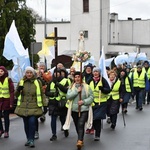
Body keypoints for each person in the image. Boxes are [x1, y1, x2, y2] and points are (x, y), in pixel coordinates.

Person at [15, 66, 47, 147]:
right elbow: (16, 95)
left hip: (34, 107)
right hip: (24, 107)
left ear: (33, 74)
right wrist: (19, 90)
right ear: (25, 73)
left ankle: (32, 139)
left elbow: (42, 94)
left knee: (32, 123)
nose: (29, 74)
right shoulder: (21, 82)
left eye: (30, 73)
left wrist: (45, 105)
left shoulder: (37, 82)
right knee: (26, 124)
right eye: (27, 73)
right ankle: (28, 139)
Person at [66, 71, 94, 149]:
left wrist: (84, 101)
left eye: (79, 77)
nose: (77, 78)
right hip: (74, 109)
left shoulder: (87, 87)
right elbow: (68, 97)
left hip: (84, 109)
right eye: (76, 77)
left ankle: (80, 140)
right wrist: (76, 91)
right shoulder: (71, 87)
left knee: (81, 124)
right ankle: (80, 137)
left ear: (81, 78)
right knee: (77, 124)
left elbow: (91, 97)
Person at [45, 68, 69, 141]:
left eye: (58, 72)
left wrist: (57, 84)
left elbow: (66, 90)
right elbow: (46, 92)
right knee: (53, 118)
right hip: (53, 103)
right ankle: (54, 134)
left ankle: (65, 129)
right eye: (55, 72)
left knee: (62, 118)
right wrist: (52, 94)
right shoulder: (51, 82)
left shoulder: (65, 81)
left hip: (62, 102)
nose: (56, 74)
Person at [89, 67, 111, 141]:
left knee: (97, 118)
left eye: (97, 72)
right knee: (93, 119)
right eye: (94, 72)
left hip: (101, 102)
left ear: (99, 73)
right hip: (92, 102)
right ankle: (93, 129)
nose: (95, 73)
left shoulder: (103, 81)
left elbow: (108, 90)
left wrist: (103, 89)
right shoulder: (90, 80)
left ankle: (97, 135)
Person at [0, 66, 14, 138]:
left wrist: (11, 102)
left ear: (4, 72)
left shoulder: (8, 80)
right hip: (0, 100)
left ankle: (6, 131)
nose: (0, 72)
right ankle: (1, 130)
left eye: (1, 71)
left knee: (6, 117)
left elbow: (11, 91)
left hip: (6, 100)